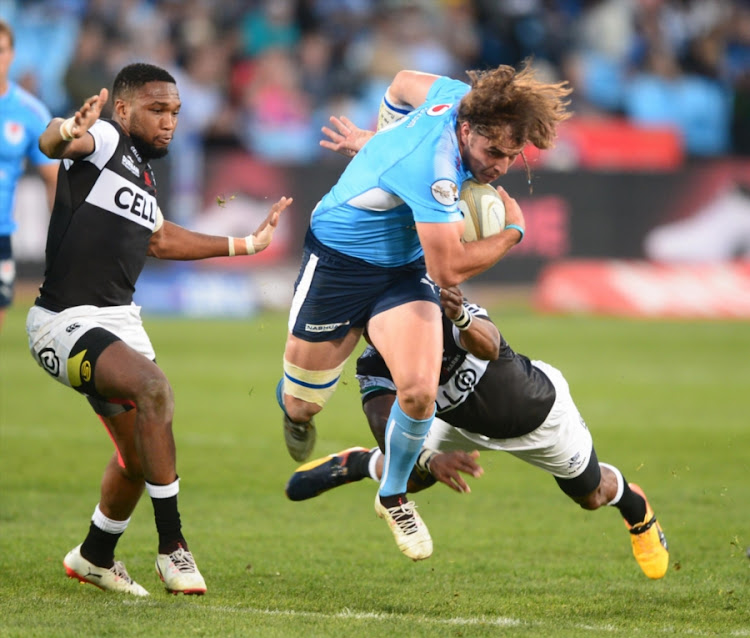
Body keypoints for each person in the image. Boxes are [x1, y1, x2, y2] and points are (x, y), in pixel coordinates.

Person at [278, 61, 571, 560]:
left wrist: (380, 141)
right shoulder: (432, 170)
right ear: (464, 130)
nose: (499, 166)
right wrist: (512, 234)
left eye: (511, 154)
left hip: (401, 272)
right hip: (338, 266)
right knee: (303, 405)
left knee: (417, 393)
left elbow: (399, 83)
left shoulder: (461, 97)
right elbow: (451, 269)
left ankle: (392, 495)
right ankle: (295, 411)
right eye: (491, 151)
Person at [28, 62, 292, 596]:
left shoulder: (143, 174)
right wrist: (66, 129)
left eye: (174, 111)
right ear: (123, 109)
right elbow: (54, 144)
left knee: (138, 457)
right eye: (157, 109)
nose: (169, 121)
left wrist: (247, 245)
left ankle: (94, 556)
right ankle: (173, 547)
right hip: (64, 321)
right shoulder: (103, 139)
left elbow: (161, 239)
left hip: (121, 320)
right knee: (153, 390)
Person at [285, 286, 670, 580]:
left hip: (538, 416)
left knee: (591, 495)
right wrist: (432, 459)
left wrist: (463, 320)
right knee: (412, 473)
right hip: (457, 422)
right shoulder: (374, 363)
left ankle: (637, 511)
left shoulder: (440, 314)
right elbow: (384, 421)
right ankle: (362, 464)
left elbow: (490, 346)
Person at [0, 20, 58, 333]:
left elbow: (54, 179)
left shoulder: (30, 111)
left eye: (0, 51)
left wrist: (63, 238)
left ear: (11, 55)